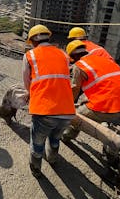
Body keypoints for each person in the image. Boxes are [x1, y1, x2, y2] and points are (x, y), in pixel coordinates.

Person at [62, 40, 120, 142]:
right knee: (111, 126)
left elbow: (75, 89)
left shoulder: (80, 65)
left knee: (76, 115)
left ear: (72, 57)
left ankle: (67, 136)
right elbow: (107, 86)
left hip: (111, 109)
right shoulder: (108, 61)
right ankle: (111, 153)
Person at [23, 25, 76, 178]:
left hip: (44, 110)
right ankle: (53, 159)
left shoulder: (30, 55)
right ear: (48, 37)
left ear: (33, 41)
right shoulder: (64, 55)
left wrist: (30, 94)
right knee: (55, 138)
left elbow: (27, 82)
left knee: (37, 143)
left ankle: (36, 169)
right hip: (67, 110)